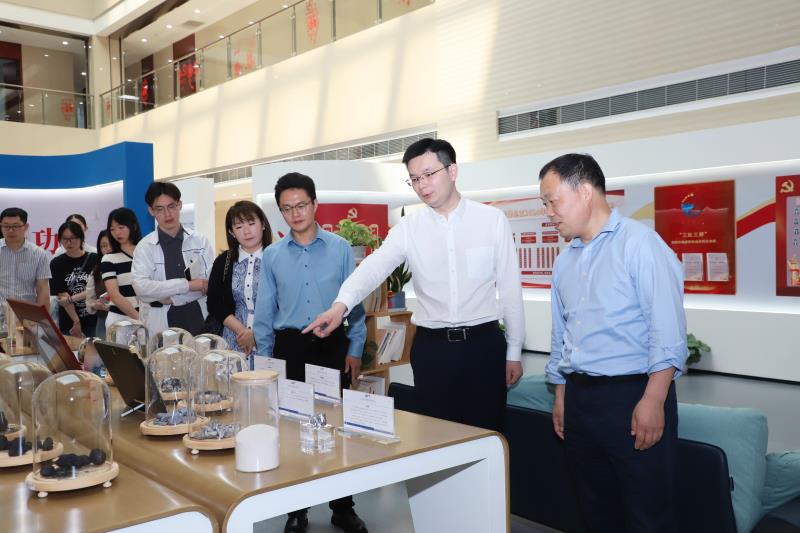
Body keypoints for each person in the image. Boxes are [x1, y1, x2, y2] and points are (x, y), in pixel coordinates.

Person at [304, 138, 525, 433]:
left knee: (487, 435)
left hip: (483, 347)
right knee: (435, 437)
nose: (422, 185)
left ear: (452, 171)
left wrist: (514, 351)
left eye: (429, 174)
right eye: (415, 179)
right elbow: (373, 267)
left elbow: (510, 289)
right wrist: (340, 306)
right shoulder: (409, 228)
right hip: (433, 350)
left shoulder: (491, 220)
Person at [539, 153, 687, 532]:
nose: (549, 212)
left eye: (553, 201)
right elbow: (561, 336)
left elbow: (667, 331)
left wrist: (654, 399)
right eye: (545, 204)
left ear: (585, 192)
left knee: (647, 514)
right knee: (595, 510)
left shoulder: (641, 245)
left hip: (633, 396)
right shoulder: (565, 262)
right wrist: (561, 395)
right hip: (580, 400)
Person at [253, 173, 367, 533]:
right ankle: (296, 510)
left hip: (332, 346)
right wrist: (266, 363)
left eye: (301, 205)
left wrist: (356, 347)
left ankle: (343, 507)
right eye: (287, 208)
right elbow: (264, 311)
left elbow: (355, 303)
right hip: (290, 347)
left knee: (337, 427)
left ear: (315, 204)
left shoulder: (340, 248)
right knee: (292, 428)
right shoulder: (272, 255)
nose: (295, 213)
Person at [132, 182, 213, 336]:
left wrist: (171, 298)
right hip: (161, 327)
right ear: (151, 211)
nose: (167, 214)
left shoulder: (200, 241)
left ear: (180, 205)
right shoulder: (144, 247)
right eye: (160, 209)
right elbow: (141, 288)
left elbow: (208, 284)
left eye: (171, 206)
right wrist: (188, 285)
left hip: (199, 321)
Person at [207, 201, 272, 356]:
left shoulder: (277, 258)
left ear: (263, 224)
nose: (247, 231)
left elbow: (285, 303)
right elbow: (214, 302)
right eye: (239, 227)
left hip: (270, 341)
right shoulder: (223, 261)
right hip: (234, 340)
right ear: (231, 232)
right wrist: (243, 331)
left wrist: (256, 334)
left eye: (251, 223)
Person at [0, 207, 52, 330]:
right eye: (6, 226)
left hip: (27, 319)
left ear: (26, 227)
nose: (10, 230)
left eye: (16, 226)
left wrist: (43, 322)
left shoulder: (38, 254)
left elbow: (42, 290)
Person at [49, 221, 99, 337]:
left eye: (73, 238)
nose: (69, 242)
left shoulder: (94, 259)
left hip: (93, 318)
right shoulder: (56, 263)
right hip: (69, 321)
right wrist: (76, 321)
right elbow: (62, 297)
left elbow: (96, 289)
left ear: (81, 238)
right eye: (65, 239)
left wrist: (71, 298)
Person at [102, 208, 141, 328]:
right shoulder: (109, 259)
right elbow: (114, 295)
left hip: (147, 315)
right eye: (112, 229)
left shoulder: (145, 252)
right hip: (120, 320)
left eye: (121, 227)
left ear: (134, 226)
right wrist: (139, 318)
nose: (117, 233)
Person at [85, 230, 113, 339]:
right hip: (102, 322)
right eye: (104, 246)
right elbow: (89, 300)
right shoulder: (97, 271)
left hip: (125, 321)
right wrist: (95, 305)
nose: (108, 248)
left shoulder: (130, 266)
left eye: (111, 244)